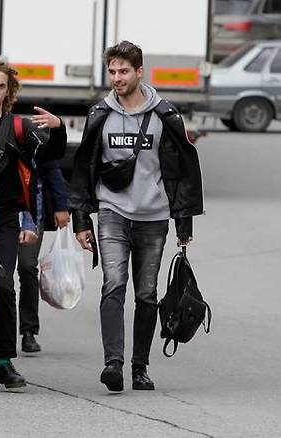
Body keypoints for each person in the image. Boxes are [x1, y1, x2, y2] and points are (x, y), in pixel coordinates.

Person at [69, 41, 203, 392]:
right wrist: (81, 220)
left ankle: (139, 368)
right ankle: (112, 363)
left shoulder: (164, 115)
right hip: (113, 212)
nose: (116, 78)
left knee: (146, 293)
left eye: (123, 71)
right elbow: (85, 168)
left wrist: (183, 220)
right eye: (112, 71)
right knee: (113, 284)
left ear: (139, 72)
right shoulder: (100, 113)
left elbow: (178, 171)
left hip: (154, 217)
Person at [0, 59, 67, 391]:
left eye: (2, 86)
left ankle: (5, 362)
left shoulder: (20, 127)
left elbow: (53, 156)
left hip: (6, 219)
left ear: (9, 92)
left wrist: (59, 127)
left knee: (3, 285)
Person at [17, 113, 71, 354]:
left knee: (28, 268)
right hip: (3, 216)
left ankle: (28, 331)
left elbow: (54, 174)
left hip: (32, 217)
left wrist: (61, 207)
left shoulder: (40, 150)